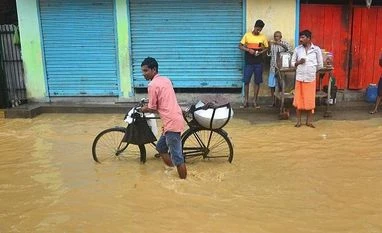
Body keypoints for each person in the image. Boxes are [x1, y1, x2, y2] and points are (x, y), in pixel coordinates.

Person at [140, 57, 187, 179]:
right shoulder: (166, 80)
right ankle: (171, 171)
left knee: (177, 157)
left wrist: (143, 108)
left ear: (153, 69)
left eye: (146, 71)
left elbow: (152, 107)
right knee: (160, 147)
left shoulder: (152, 85)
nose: (143, 74)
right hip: (174, 117)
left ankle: (184, 183)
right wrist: (149, 103)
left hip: (171, 122)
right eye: (143, 71)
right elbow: (162, 98)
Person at [291, 30, 323, 128]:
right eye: (300, 37)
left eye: (303, 37)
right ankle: (299, 121)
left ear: (309, 39)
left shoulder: (316, 49)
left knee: (310, 101)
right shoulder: (297, 49)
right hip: (300, 78)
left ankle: (309, 122)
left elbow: (320, 65)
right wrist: (298, 63)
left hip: (310, 79)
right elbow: (292, 63)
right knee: (299, 100)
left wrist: (312, 71)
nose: (300, 39)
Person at [239, 19, 269, 109]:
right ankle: (246, 101)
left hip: (258, 63)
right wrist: (248, 50)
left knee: (257, 82)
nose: (258, 31)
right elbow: (240, 46)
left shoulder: (263, 37)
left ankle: (255, 101)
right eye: (257, 29)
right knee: (246, 81)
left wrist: (260, 52)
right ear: (254, 27)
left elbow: (266, 48)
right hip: (248, 62)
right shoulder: (247, 35)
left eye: (260, 30)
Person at [267, 31, 292, 106]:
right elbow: (268, 54)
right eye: (275, 36)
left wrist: (280, 44)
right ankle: (273, 102)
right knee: (272, 85)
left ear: (281, 37)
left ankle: (281, 101)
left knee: (281, 85)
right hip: (273, 67)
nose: (276, 38)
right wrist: (268, 46)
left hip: (281, 69)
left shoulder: (285, 43)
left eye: (277, 36)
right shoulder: (272, 45)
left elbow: (290, 51)